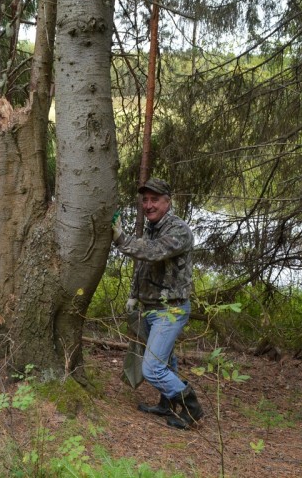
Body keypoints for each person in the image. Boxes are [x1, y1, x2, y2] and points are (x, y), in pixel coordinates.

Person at [112, 177, 204, 429]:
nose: (148, 205)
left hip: (170, 310)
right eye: (145, 200)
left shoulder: (178, 230)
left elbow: (153, 252)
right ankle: (166, 405)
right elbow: (142, 265)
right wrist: (133, 294)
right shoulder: (152, 229)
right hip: (151, 309)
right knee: (165, 362)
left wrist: (121, 239)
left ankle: (191, 407)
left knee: (152, 368)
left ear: (167, 201)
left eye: (154, 200)